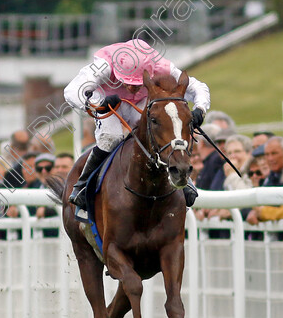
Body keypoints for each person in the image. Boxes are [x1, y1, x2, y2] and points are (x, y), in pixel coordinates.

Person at [63, 39, 211, 210]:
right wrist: (97, 104)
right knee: (112, 137)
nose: (131, 88)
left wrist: (200, 108)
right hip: (105, 100)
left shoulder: (161, 66)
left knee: (157, 129)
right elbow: (72, 91)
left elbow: (198, 86)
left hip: (139, 102)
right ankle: (82, 185)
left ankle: (184, 180)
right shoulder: (103, 66)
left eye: (136, 83)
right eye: (127, 82)